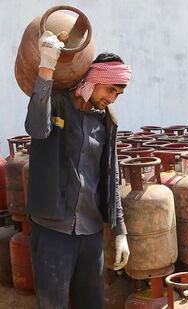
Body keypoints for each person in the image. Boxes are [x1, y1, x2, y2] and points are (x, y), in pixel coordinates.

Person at [24, 31, 132, 308]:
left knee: (92, 303)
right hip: (52, 229)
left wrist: (120, 232)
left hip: (91, 232)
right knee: (52, 304)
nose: (112, 98)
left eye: (118, 94)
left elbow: (111, 176)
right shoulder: (57, 101)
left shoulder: (107, 121)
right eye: (110, 90)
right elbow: (36, 128)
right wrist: (47, 65)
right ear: (94, 80)